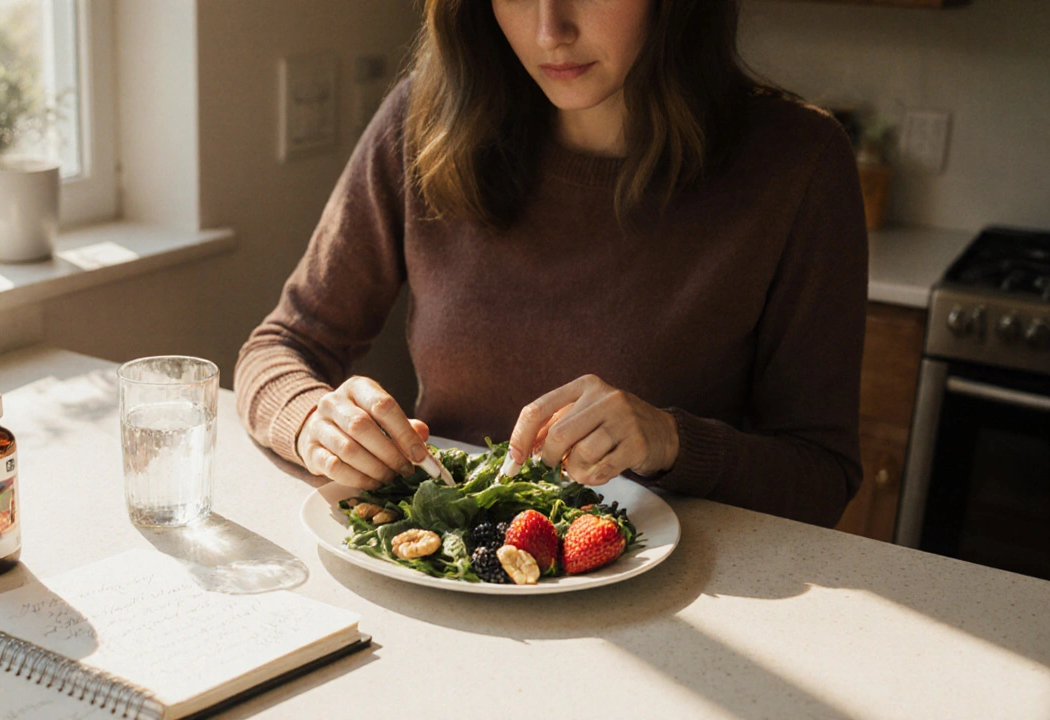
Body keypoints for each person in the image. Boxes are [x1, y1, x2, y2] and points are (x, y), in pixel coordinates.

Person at [234, 0, 868, 527]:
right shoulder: (422, 122)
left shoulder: (799, 163)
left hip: (681, 609)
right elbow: (279, 348)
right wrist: (316, 421)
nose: (549, 31)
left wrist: (672, 439)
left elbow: (821, 476)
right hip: (451, 585)